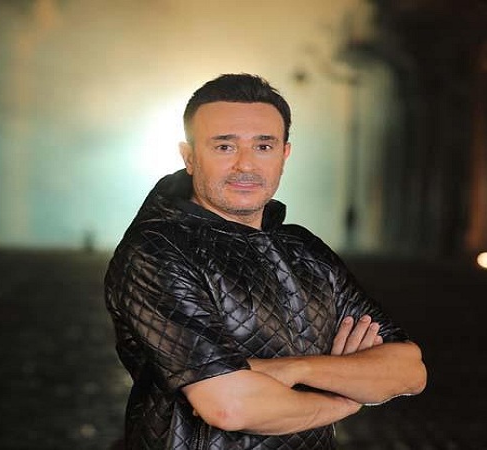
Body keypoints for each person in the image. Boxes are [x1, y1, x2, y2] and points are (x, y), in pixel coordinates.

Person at [104, 73, 427, 449]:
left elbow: (409, 370)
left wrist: (295, 369)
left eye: (263, 146)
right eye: (224, 147)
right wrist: (345, 397)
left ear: (284, 155)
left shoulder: (305, 249)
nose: (246, 165)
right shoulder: (157, 251)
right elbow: (229, 406)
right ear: (189, 156)